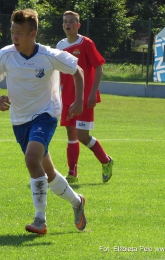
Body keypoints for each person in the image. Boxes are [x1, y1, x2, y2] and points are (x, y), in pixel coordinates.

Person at [0, 9, 86, 235]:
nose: (14, 37)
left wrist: (78, 101)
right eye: (12, 32)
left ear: (33, 34)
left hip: (45, 115)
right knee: (47, 172)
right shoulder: (5, 55)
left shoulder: (49, 55)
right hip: (19, 121)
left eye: (19, 33)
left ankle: (40, 219)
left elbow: (77, 70)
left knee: (32, 159)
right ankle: (77, 202)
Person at [56, 11, 114, 184]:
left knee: (82, 135)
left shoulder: (86, 43)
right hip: (67, 96)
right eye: (65, 21)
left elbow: (98, 67)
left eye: (72, 21)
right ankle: (72, 172)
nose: (68, 24)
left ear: (78, 25)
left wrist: (93, 93)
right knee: (70, 133)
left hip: (85, 97)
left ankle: (106, 160)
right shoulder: (59, 46)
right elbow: (58, 72)